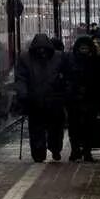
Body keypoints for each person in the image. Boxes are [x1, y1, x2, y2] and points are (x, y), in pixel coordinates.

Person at [16, 32, 69, 162]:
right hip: (36, 101)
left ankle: (55, 148)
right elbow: (21, 78)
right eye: (39, 49)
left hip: (53, 100)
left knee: (55, 129)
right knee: (37, 130)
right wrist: (23, 94)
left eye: (43, 49)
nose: (41, 51)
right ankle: (39, 154)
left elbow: (66, 75)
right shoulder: (25, 58)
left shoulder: (58, 57)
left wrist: (63, 89)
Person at [65, 33, 100, 162]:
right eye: (82, 48)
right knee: (74, 127)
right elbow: (66, 79)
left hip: (91, 99)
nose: (84, 51)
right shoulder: (71, 61)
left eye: (86, 48)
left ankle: (87, 151)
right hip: (74, 100)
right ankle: (75, 150)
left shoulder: (96, 62)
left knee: (89, 126)